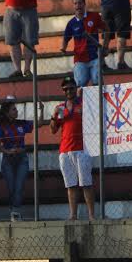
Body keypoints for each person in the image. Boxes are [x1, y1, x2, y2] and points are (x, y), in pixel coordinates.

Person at [50, 76, 95, 220]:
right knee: (70, 185)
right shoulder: (60, 108)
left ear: (76, 88)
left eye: (71, 88)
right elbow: (53, 130)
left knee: (86, 183)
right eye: (66, 89)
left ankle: (91, 215)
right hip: (65, 150)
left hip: (82, 148)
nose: (68, 91)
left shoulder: (84, 104)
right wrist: (53, 116)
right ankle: (73, 215)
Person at [0, 97, 34, 221]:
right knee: (11, 187)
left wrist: (41, 110)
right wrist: (7, 151)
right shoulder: (1, 126)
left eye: (16, 109)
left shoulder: (21, 123)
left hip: (22, 158)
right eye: (13, 109)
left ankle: (16, 212)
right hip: (8, 159)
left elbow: (39, 124)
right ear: (7, 113)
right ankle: (13, 211)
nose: (16, 111)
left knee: (19, 186)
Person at [62, 0, 103, 88]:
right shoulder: (71, 23)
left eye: (80, 3)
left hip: (95, 56)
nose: (78, 6)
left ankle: (98, 102)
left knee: (97, 83)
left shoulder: (94, 16)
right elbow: (65, 38)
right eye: (75, 4)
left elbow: (106, 29)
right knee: (80, 85)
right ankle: (81, 102)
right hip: (80, 59)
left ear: (84, 4)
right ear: (73, 6)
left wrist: (105, 45)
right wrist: (63, 48)